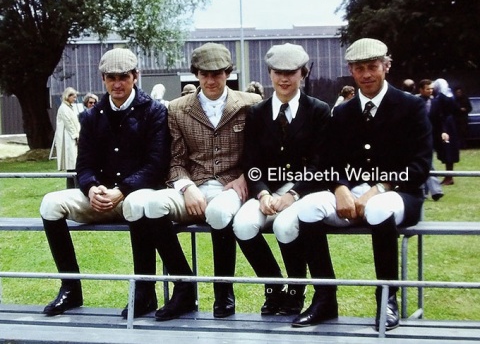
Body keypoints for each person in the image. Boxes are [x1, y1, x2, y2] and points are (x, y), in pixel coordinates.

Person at [293, 38, 432, 331]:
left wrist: (379, 188)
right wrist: (340, 187)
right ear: (351, 71)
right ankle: (325, 298)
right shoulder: (343, 112)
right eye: (359, 69)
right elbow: (328, 161)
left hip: (399, 194)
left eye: (372, 67)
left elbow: (420, 167)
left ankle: (386, 298)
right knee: (306, 208)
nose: (366, 74)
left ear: (386, 66)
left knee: (379, 209)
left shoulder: (411, 106)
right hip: (352, 193)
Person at [122, 42, 262, 321]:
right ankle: (184, 287)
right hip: (192, 184)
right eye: (204, 74)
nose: (211, 80)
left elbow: (263, 152)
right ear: (195, 74)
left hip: (232, 186)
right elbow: (174, 159)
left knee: (219, 212)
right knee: (151, 204)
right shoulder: (177, 108)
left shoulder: (251, 104)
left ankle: (224, 291)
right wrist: (186, 187)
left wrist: (247, 177)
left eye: (217, 74)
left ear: (228, 73)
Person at [39, 48, 170, 317]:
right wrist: (91, 187)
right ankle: (70, 288)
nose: (117, 84)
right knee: (50, 203)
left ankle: (145, 291)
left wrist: (122, 190)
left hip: (136, 195)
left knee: (137, 203)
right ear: (103, 79)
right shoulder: (91, 115)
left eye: (123, 77)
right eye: (111, 78)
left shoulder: (154, 111)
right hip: (101, 195)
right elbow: (84, 164)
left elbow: (156, 165)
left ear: (136, 76)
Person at [233, 43, 330, 316]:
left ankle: (297, 290)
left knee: (285, 226)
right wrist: (262, 193)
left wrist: (293, 194)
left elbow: (320, 163)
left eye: (291, 73)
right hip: (267, 188)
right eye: (278, 72)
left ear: (304, 73)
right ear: (269, 73)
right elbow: (251, 161)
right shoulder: (257, 112)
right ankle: (274, 284)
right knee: (242, 224)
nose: (284, 79)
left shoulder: (318, 110)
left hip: (304, 188)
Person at [417, 79, 444, 201]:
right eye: (428, 89)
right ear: (421, 90)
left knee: (428, 162)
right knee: (424, 163)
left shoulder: (436, 102)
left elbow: (440, 119)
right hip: (416, 138)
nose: (430, 91)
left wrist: (443, 132)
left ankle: (429, 191)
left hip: (430, 137)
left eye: (432, 88)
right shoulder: (415, 102)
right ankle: (433, 190)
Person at [432, 78, 461, 185]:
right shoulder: (451, 96)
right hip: (451, 124)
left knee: (447, 151)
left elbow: (439, 113)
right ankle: (449, 176)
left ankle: (449, 177)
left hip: (444, 125)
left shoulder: (441, 98)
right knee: (448, 151)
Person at [55, 87, 81, 188]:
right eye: (73, 97)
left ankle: (73, 186)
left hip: (73, 137)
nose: (75, 99)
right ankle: (72, 186)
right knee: (72, 163)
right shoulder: (63, 108)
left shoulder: (70, 107)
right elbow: (69, 124)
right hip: (69, 139)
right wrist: (76, 136)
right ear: (68, 96)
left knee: (74, 164)